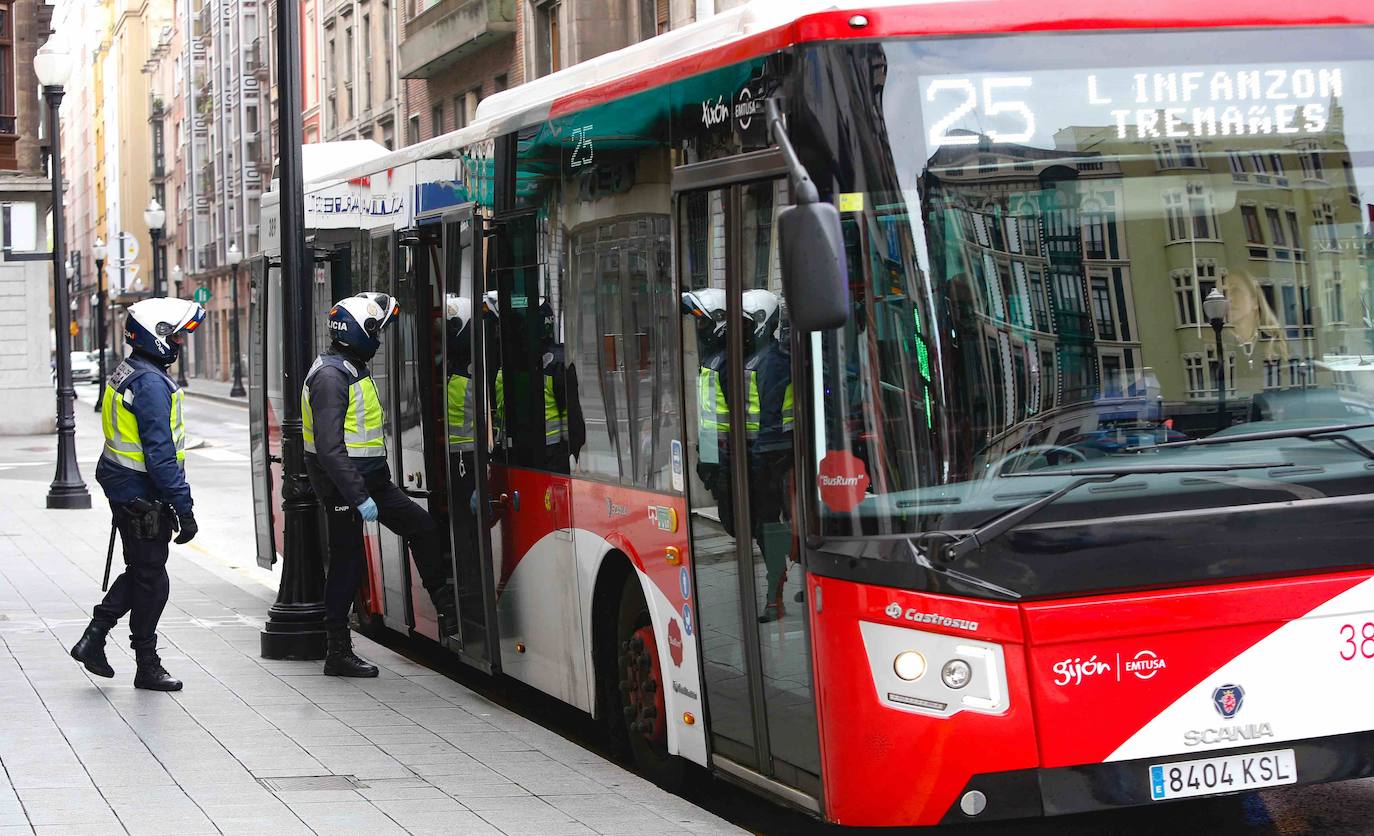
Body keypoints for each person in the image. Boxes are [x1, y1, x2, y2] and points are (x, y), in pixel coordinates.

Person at [303, 292, 457, 676]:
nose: (379, 339)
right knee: (348, 563)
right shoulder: (330, 376)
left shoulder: (351, 367)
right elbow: (329, 447)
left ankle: (447, 608)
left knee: (420, 527)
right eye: (376, 331)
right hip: (344, 486)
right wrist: (358, 496)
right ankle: (337, 650)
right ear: (359, 332)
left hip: (371, 481)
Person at [69, 297, 206, 691]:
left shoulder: (129, 370)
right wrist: (185, 508)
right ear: (156, 335)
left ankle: (97, 641)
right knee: (152, 579)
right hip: (140, 493)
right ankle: (139, 660)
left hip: (127, 487)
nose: (179, 343)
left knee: (144, 573)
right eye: (176, 335)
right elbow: (161, 456)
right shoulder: (149, 383)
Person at [741, 289, 796, 623]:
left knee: (774, 528)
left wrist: (758, 456)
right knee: (778, 527)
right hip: (765, 455)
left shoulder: (772, 362)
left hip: (776, 457)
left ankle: (774, 598)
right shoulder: (756, 359)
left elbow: (770, 418)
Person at [683, 289, 734, 532]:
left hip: (729, 456)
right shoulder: (711, 359)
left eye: (703, 321)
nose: (699, 327)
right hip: (715, 453)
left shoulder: (727, 362)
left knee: (736, 522)